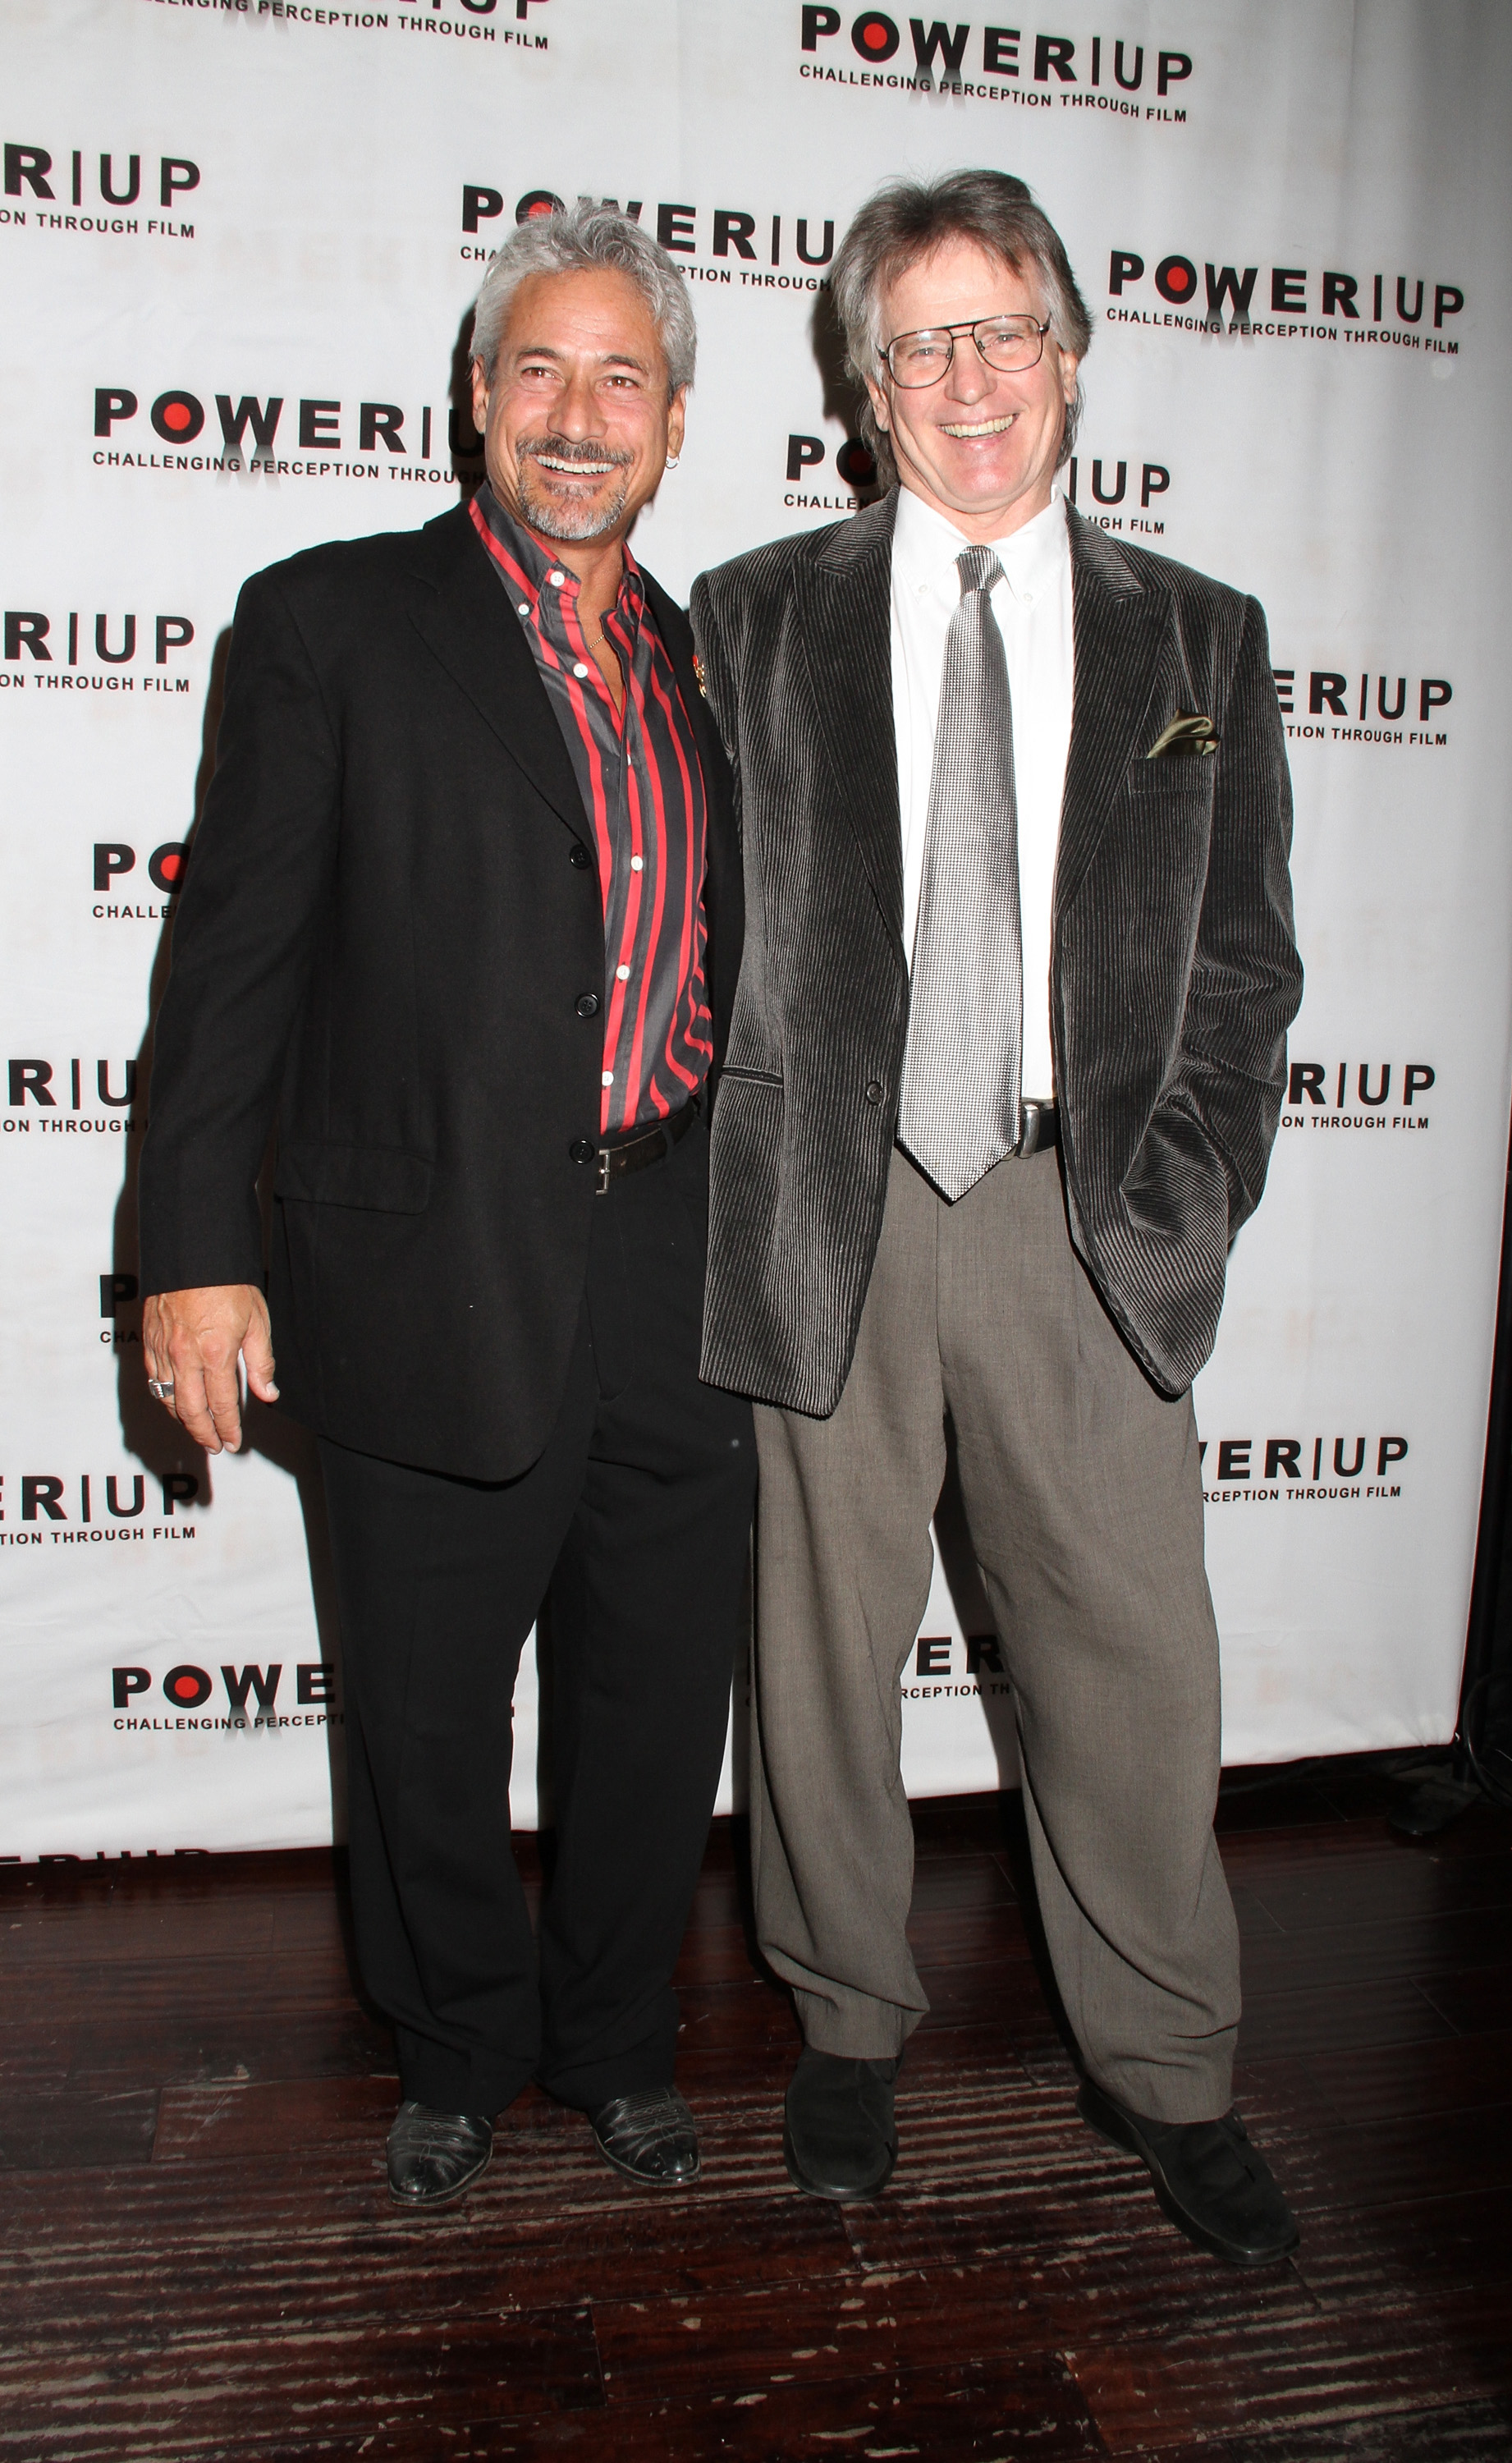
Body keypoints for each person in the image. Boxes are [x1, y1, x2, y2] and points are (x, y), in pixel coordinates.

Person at [691, 171, 1304, 2266]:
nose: (969, 380)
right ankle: (847, 2022)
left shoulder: (1193, 635)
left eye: (1004, 332)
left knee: (1131, 1669)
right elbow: (691, 932)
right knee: (818, 1659)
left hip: (1078, 1217)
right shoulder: (752, 614)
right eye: (921, 342)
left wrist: (1180, 1185)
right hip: (827, 1214)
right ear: (865, 387)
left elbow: (1241, 966)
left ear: (1068, 355)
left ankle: (1171, 2072)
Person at [140, 207, 755, 2208]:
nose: (579, 420)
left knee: (654, 1699)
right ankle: (459, 2047)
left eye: (622, 382)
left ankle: (610, 2039)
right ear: (477, 400)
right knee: (417, 1708)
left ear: (672, 423)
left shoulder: (703, 658)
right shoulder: (330, 622)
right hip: (416, 1255)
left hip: (669, 1248)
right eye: (539, 375)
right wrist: (190, 1254)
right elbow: (225, 967)